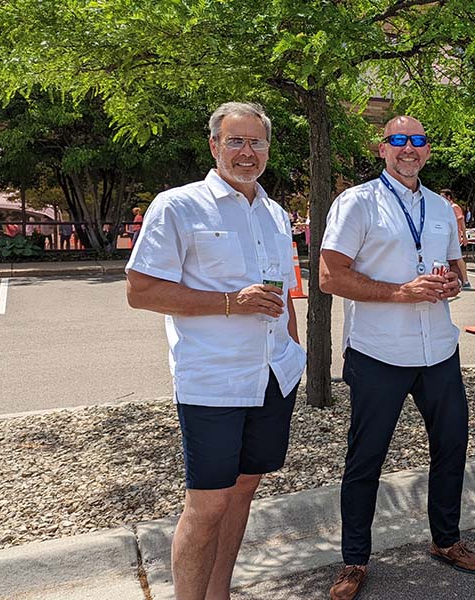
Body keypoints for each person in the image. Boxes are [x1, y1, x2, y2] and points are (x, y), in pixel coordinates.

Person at [125, 102, 306, 600]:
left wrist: (293, 351)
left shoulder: (275, 213)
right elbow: (141, 290)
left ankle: (219, 592)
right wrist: (231, 302)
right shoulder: (178, 206)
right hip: (214, 380)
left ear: (268, 149)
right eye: (235, 141)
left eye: (256, 143)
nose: (247, 153)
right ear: (214, 145)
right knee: (206, 505)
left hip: (272, 376)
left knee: (245, 490)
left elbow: (285, 291)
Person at [319, 116, 475, 600]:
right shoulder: (356, 202)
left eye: (418, 140)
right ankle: (354, 561)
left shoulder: (439, 207)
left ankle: (446, 540)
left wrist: (454, 283)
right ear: (382, 148)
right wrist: (400, 292)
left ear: (428, 149)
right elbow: (330, 277)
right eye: (399, 141)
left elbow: (456, 270)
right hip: (379, 352)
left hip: (438, 349)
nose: (409, 148)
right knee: (365, 459)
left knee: (452, 448)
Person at [440, 188, 471, 289]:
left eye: (443, 196)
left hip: (456, 237)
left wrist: (464, 236)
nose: (441, 198)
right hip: (446, 236)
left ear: (449, 197)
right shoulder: (444, 207)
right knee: (450, 259)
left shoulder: (454, 207)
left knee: (458, 258)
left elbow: (461, 222)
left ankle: (465, 280)